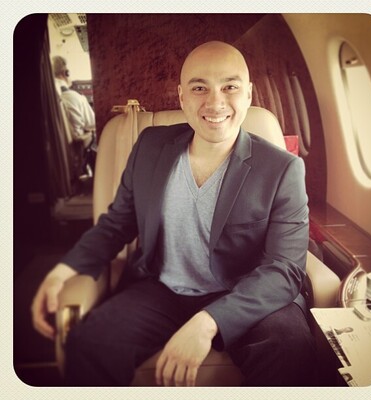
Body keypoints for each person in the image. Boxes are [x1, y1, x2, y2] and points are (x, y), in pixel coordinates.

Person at [32, 41, 317, 386]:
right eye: (199, 88)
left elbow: (285, 268)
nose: (215, 102)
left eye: (230, 87)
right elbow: (117, 224)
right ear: (182, 97)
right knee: (88, 345)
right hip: (161, 289)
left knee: (290, 345)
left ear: (248, 94)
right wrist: (63, 271)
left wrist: (209, 321)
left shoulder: (282, 169)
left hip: (241, 291)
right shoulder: (150, 146)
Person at [52, 55, 96, 179]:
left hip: (59, 147)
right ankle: (95, 178)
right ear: (65, 73)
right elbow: (92, 123)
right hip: (76, 144)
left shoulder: (50, 95)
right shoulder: (74, 96)